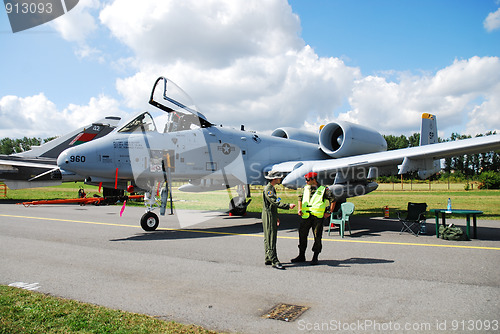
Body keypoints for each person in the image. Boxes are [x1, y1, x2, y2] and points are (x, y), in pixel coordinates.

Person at [291, 172, 336, 265]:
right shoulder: (305, 188)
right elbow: (300, 198)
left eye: (308, 180)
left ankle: (315, 257)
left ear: (313, 179)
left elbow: (333, 199)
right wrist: (299, 208)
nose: (306, 181)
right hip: (306, 216)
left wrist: (329, 212)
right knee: (302, 236)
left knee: (317, 237)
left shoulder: (324, 189)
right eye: (306, 179)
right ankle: (301, 255)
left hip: (317, 218)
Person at [262, 170, 296, 269]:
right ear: (274, 179)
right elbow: (275, 202)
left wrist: (276, 216)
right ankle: (274, 260)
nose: (280, 179)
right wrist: (288, 206)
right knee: (271, 237)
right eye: (279, 177)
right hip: (268, 215)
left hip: (270, 214)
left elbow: (274, 203)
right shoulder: (269, 189)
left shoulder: (271, 188)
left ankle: (268, 257)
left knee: (268, 237)